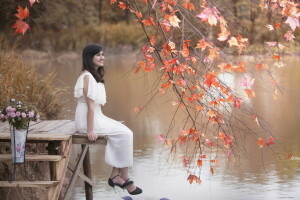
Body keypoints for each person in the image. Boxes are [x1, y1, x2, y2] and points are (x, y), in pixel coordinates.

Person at [74, 43, 142, 195]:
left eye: (103, 54)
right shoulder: (87, 77)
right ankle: (122, 176)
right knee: (125, 134)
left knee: (125, 131)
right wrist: (90, 130)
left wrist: (107, 122)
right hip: (87, 120)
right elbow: (90, 107)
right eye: (98, 55)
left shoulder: (92, 75)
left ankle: (117, 175)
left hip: (95, 116)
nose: (102, 57)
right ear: (89, 57)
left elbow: (95, 108)